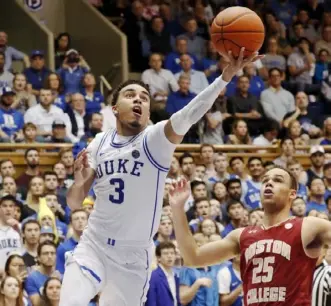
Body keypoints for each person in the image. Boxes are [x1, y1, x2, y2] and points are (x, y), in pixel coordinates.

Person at [59, 48, 262, 306]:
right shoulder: (99, 142)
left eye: (144, 97)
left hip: (133, 256)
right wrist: (78, 183)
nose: (138, 100)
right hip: (94, 244)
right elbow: (75, 203)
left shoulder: (155, 139)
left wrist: (225, 77)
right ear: (114, 108)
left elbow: (190, 112)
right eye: (130, 95)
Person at [169, 167, 331, 305]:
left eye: (278, 180)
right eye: (265, 179)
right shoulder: (242, 235)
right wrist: (177, 209)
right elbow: (193, 258)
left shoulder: (307, 226)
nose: (269, 182)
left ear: (292, 194)